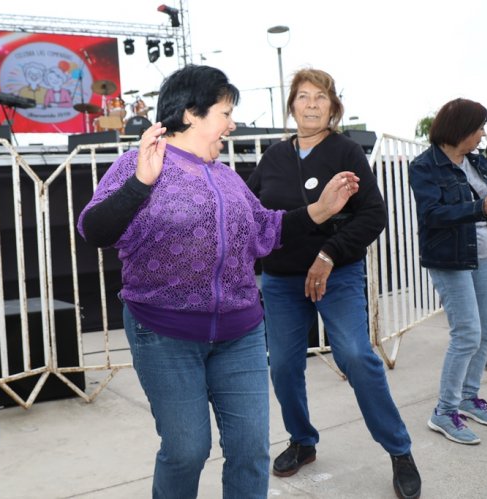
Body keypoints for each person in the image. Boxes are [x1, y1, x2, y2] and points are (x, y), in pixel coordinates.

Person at [77, 64, 359, 498]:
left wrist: (321, 210)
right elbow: (94, 230)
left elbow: (267, 229)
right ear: (191, 113)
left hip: (241, 332)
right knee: (187, 450)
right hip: (164, 333)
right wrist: (139, 184)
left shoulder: (227, 177)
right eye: (225, 113)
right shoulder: (140, 163)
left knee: (251, 452)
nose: (232, 123)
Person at [246, 68, 421, 499]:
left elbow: (373, 215)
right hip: (283, 280)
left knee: (357, 356)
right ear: (291, 106)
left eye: (320, 97)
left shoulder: (345, 151)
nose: (310, 104)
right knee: (283, 365)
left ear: (333, 106)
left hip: (337, 273)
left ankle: (399, 450)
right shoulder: (272, 158)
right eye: (302, 96)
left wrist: (329, 254)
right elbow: (249, 213)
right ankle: (303, 441)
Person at [409, 98, 487, 445]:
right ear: (461, 130)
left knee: (486, 332)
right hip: (450, 260)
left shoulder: (478, 162)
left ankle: (468, 397)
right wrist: (479, 207)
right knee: (467, 334)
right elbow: (432, 214)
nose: (482, 135)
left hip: (485, 256)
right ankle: (444, 411)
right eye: (478, 129)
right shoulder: (425, 166)